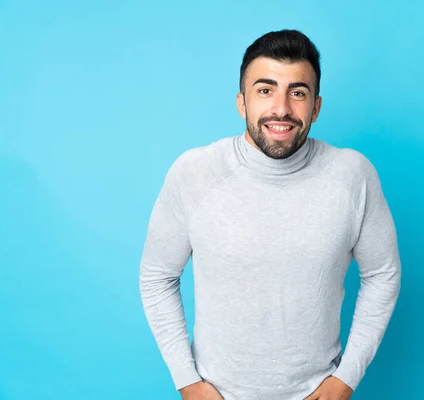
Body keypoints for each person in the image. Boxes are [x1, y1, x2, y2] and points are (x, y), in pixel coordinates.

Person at [139, 29, 402, 400]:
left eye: (297, 92)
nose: (281, 108)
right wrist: (187, 380)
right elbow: (157, 276)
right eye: (265, 90)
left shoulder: (352, 175)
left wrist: (346, 379)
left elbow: (383, 274)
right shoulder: (195, 173)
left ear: (316, 107)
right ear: (241, 103)